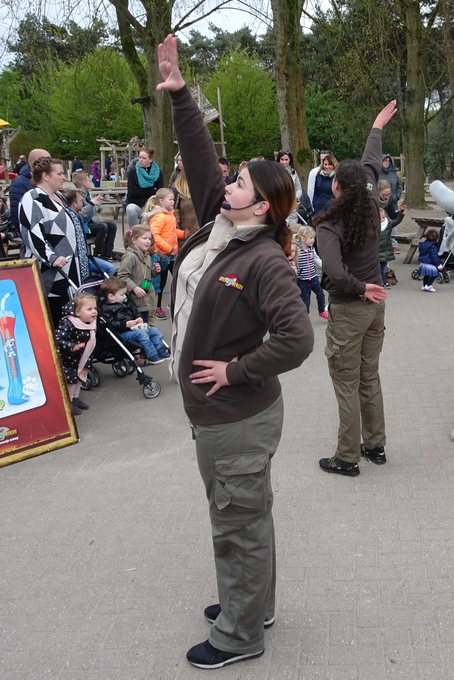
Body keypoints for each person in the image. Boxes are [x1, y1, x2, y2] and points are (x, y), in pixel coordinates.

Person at [156, 33, 313, 671]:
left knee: (238, 525)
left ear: (264, 203)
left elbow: (298, 337)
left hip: (237, 417)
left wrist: (237, 369)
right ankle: (253, 606)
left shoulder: (263, 260)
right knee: (246, 517)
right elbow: (200, 162)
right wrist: (181, 98)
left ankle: (240, 636)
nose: (229, 183)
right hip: (219, 417)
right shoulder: (218, 229)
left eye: (241, 181)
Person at [315, 101, 396, 477]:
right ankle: (375, 445)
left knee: (345, 383)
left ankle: (347, 457)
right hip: (375, 306)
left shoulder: (331, 222)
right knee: (369, 377)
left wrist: (361, 287)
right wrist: (378, 123)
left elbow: (332, 269)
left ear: (335, 185)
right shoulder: (367, 193)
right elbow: (371, 158)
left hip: (351, 308)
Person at [18, 157, 84, 321]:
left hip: (70, 269)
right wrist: (51, 258)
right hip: (52, 274)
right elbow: (31, 232)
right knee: (56, 319)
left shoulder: (59, 196)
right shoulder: (32, 198)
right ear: (45, 176)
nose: (63, 177)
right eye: (60, 173)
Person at [98, 276, 170, 365]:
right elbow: (111, 323)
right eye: (122, 294)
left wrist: (138, 318)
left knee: (153, 330)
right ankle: (152, 355)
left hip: (133, 329)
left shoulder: (126, 301)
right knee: (142, 334)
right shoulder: (106, 308)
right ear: (111, 297)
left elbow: (135, 310)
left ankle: (161, 350)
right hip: (121, 334)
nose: (125, 296)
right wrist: (125, 324)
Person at [54, 291, 97, 415]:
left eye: (95, 308)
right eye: (89, 309)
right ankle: (69, 402)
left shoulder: (90, 323)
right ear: (78, 312)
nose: (94, 311)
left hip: (81, 358)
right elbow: (57, 338)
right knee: (71, 381)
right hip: (68, 358)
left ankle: (76, 399)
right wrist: (72, 346)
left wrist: (86, 364)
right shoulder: (68, 323)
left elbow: (91, 345)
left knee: (79, 379)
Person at [146, 187, 187, 319]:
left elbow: (173, 231)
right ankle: (157, 307)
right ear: (161, 201)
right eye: (171, 199)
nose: (173, 202)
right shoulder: (159, 217)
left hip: (172, 254)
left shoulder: (170, 215)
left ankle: (175, 303)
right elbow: (155, 235)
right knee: (160, 283)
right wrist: (168, 248)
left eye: (173, 199)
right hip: (161, 255)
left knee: (178, 276)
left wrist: (183, 234)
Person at [71, 172, 118, 261]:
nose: (90, 182)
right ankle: (98, 253)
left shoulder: (87, 194)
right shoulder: (78, 196)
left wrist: (98, 201)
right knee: (102, 227)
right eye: (89, 180)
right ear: (84, 184)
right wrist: (91, 203)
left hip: (89, 223)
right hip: (82, 225)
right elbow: (82, 215)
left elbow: (91, 211)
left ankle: (108, 253)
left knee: (112, 225)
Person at [117, 224, 158, 323]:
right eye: (144, 238)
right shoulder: (130, 257)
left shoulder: (146, 255)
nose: (148, 241)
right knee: (140, 326)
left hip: (146, 299)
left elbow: (145, 274)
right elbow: (122, 276)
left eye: (149, 238)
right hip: (135, 302)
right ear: (134, 240)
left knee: (147, 324)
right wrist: (134, 287)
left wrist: (155, 271)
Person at [9, 149, 49, 238]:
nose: (51, 164)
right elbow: (17, 214)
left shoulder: (48, 180)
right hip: (32, 236)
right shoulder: (19, 183)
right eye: (47, 161)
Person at [294, 225, 328, 318]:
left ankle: (321, 311)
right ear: (303, 238)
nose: (313, 240)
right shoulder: (297, 250)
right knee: (306, 302)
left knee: (321, 295)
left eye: (313, 238)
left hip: (314, 277)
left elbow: (317, 260)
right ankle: (304, 316)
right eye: (311, 238)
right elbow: (293, 262)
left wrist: (325, 267)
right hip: (302, 280)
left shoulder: (312, 249)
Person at [125, 148, 163, 228]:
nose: (141, 160)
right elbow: (132, 193)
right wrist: (152, 191)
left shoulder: (157, 172)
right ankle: (134, 233)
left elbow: (159, 192)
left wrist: (140, 191)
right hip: (137, 204)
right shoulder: (133, 171)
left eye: (144, 158)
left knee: (160, 211)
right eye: (140, 157)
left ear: (150, 159)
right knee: (130, 208)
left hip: (152, 205)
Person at [170, 153, 200, 237]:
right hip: (184, 234)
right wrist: (179, 229)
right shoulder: (177, 189)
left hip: (200, 233)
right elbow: (174, 210)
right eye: (178, 160)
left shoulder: (202, 188)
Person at [306, 152, 338, 219]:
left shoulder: (337, 177)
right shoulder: (317, 175)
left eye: (329, 165)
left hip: (332, 208)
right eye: (325, 164)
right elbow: (311, 191)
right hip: (318, 209)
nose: (327, 167)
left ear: (334, 165)